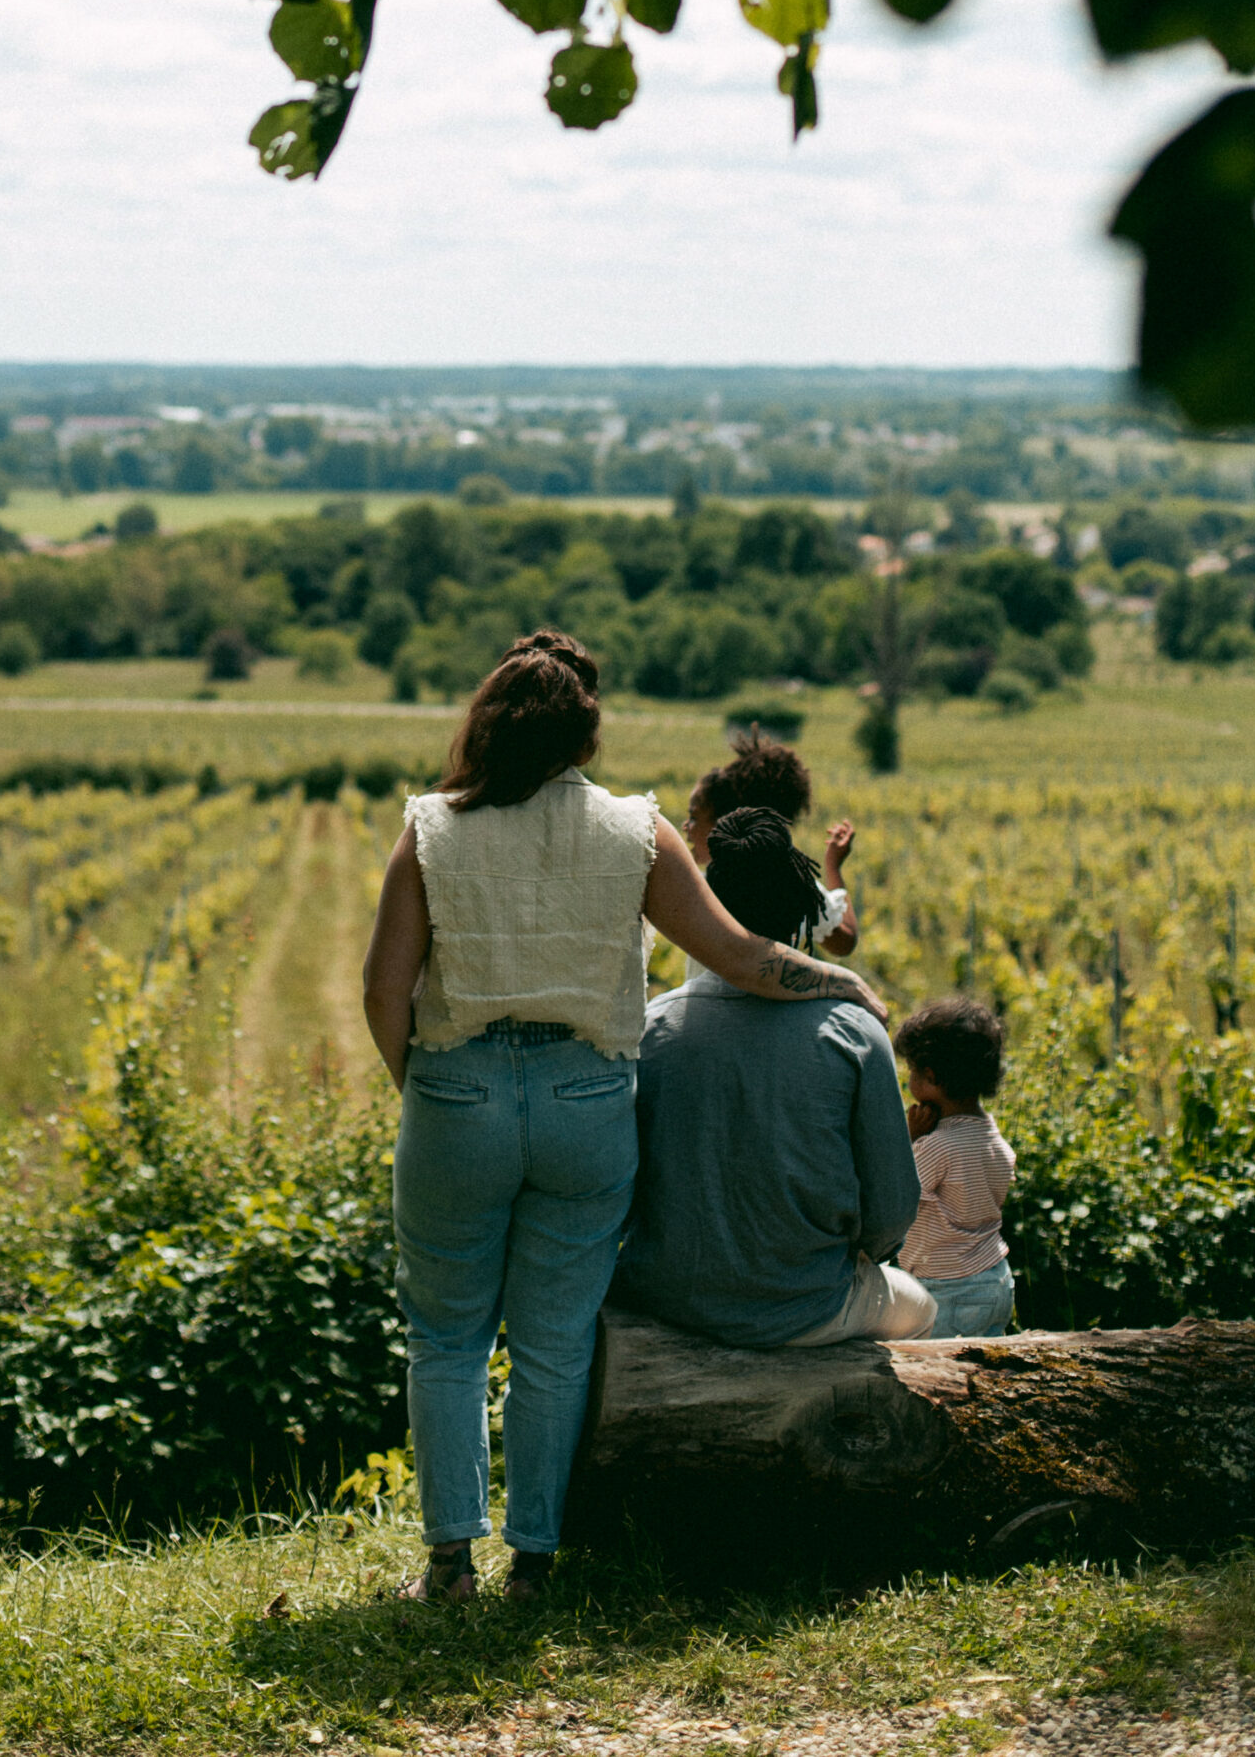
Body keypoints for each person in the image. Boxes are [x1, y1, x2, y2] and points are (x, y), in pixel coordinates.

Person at [361, 631, 889, 1606]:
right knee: (555, 1343)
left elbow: (383, 988)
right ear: (586, 740)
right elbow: (738, 956)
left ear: (485, 725)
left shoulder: (431, 829)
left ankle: (446, 1566)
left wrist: (430, 1089)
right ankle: (534, 1560)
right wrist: (841, 978)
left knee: (446, 1339)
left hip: (456, 1089)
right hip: (587, 1099)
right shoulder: (636, 834)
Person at [612, 802, 935, 1347]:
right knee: (923, 1310)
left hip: (667, 1296)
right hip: (807, 1305)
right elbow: (891, 1212)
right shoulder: (853, 1033)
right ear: (800, 910)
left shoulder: (652, 1027)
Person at [893, 997, 1017, 1337]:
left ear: (930, 1078)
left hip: (948, 1291)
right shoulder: (994, 1140)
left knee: (935, 1379)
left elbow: (895, 1190)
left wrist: (910, 1137)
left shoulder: (934, 1147)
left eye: (912, 1075)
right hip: (996, 1278)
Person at [684, 729, 857, 955]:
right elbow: (845, 940)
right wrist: (833, 867)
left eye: (694, 817)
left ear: (725, 823)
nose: (686, 827)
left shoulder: (697, 886)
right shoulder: (792, 882)